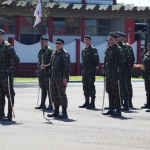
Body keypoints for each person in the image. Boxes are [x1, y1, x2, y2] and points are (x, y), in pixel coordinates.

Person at [41, 38, 70, 118]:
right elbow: (51, 64)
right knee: (54, 94)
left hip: (61, 78)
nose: (57, 44)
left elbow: (67, 67)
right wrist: (45, 66)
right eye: (56, 43)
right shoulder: (54, 53)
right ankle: (56, 111)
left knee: (61, 94)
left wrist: (65, 78)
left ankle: (64, 112)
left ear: (62, 44)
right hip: (53, 77)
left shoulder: (65, 54)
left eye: (59, 43)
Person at [0, 29, 20, 121]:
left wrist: (10, 70)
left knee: (9, 94)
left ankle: (9, 115)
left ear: (3, 36)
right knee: (0, 95)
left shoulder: (8, 47)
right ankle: (1, 114)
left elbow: (16, 59)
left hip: (6, 75)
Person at [103, 32, 124, 117]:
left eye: (112, 38)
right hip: (108, 73)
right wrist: (103, 68)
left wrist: (119, 73)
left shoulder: (118, 49)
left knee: (116, 91)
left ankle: (118, 109)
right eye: (109, 38)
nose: (110, 39)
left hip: (115, 73)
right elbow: (106, 61)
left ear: (115, 39)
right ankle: (111, 108)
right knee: (109, 91)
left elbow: (121, 62)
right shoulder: (108, 49)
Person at [79, 35, 99, 109]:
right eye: (85, 39)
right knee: (85, 86)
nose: (86, 41)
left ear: (90, 41)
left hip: (91, 70)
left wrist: (94, 68)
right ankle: (86, 102)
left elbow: (96, 60)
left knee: (91, 86)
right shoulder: (84, 49)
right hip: (84, 70)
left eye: (87, 39)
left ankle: (92, 103)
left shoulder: (93, 49)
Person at [35, 35, 53, 110]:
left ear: (47, 42)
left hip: (47, 72)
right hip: (41, 72)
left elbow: (52, 62)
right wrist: (38, 69)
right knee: (43, 88)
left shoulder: (49, 50)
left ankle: (51, 104)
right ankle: (42, 104)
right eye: (42, 41)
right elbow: (39, 61)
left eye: (45, 41)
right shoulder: (40, 50)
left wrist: (46, 66)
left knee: (49, 88)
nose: (43, 42)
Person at [115, 31, 130, 111]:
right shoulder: (113, 46)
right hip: (114, 70)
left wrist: (125, 69)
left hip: (123, 70)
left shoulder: (124, 47)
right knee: (115, 87)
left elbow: (128, 59)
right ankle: (116, 104)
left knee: (123, 86)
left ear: (120, 38)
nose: (116, 38)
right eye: (115, 36)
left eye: (117, 36)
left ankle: (126, 103)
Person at [121, 33, 135, 108]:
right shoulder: (118, 46)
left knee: (127, 85)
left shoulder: (128, 47)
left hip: (126, 69)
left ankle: (129, 101)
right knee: (120, 86)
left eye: (122, 38)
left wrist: (129, 67)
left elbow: (132, 58)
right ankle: (121, 102)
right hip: (120, 70)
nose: (121, 39)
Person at [141, 43, 150, 112]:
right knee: (147, 89)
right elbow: (143, 65)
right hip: (146, 75)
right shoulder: (146, 54)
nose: (148, 48)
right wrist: (143, 73)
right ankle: (148, 103)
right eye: (148, 46)